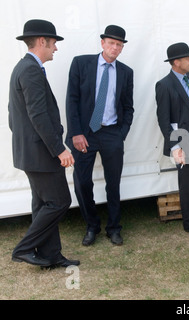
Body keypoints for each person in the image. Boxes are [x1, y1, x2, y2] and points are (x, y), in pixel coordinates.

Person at [9, 19, 79, 268]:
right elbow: (37, 115)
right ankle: (24, 249)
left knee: (42, 204)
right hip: (41, 153)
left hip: (32, 152)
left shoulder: (24, 67)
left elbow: (13, 114)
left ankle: (51, 254)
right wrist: (59, 149)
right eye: (53, 44)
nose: (56, 49)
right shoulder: (29, 69)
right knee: (59, 202)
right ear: (42, 42)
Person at [66, 25, 134, 246]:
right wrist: (76, 132)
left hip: (112, 133)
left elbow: (128, 106)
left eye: (119, 45)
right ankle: (92, 226)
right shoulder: (81, 63)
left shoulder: (126, 72)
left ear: (122, 48)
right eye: (111, 43)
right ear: (102, 43)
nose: (115, 48)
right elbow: (72, 100)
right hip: (85, 133)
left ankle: (114, 228)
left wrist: (121, 133)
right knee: (82, 182)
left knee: (113, 184)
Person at [155, 42, 189, 238]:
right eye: (188, 58)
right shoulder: (164, 85)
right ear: (176, 62)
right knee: (186, 184)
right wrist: (176, 147)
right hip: (183, 141)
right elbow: (164, 120)